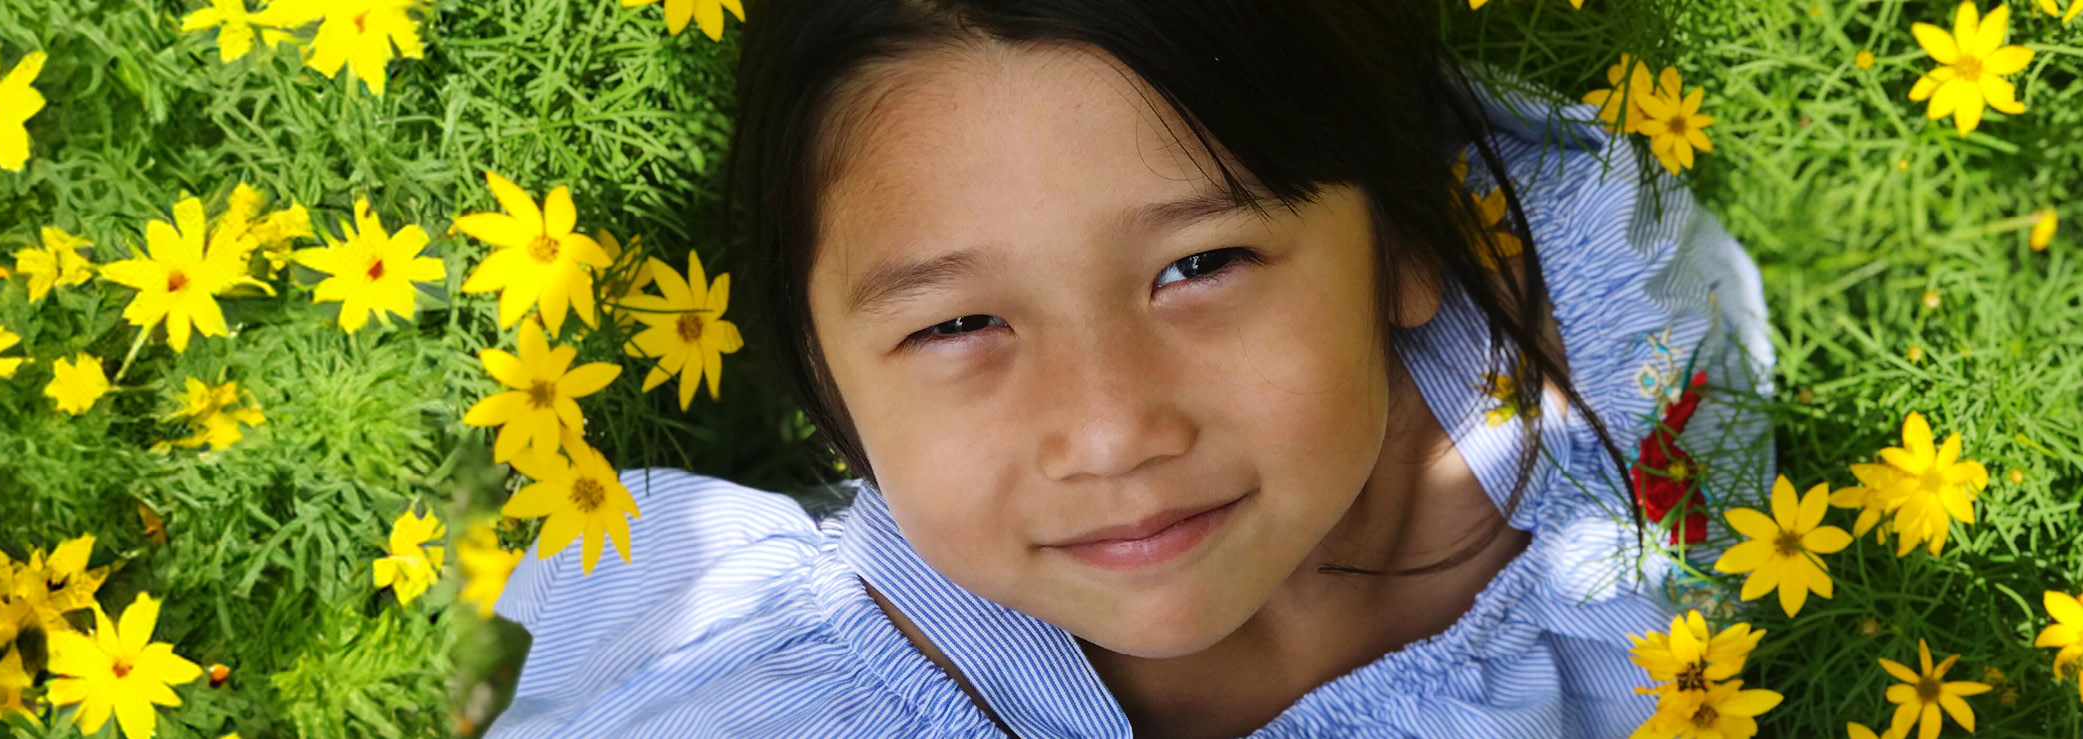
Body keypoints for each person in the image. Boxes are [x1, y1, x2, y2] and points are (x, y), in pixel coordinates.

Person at [487, 1, 1775, 736]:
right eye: (954, 328)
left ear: (1399, 243)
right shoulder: (790, 716)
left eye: (1199, 267)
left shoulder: (1605, 373)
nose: (1109, 431)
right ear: (829, 386)